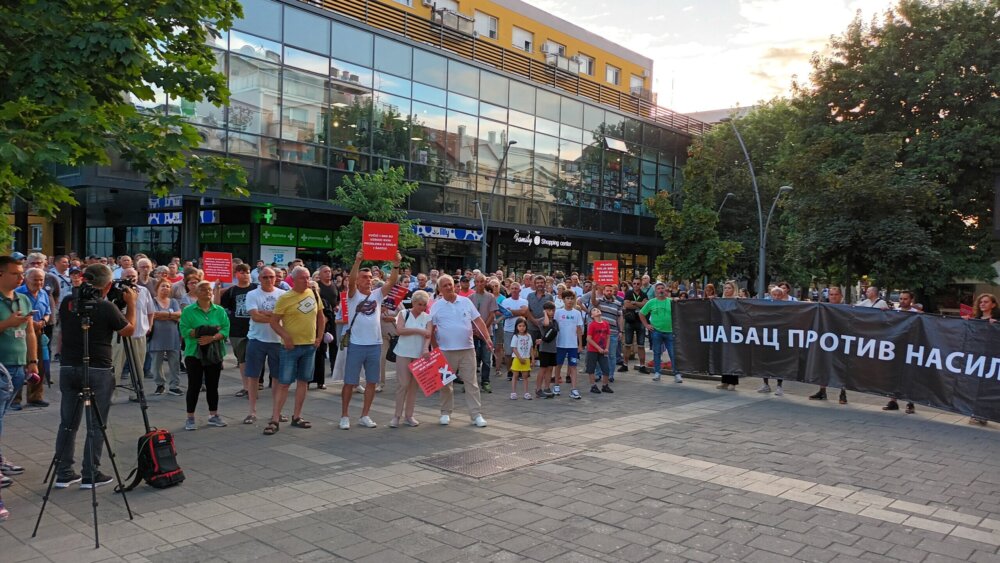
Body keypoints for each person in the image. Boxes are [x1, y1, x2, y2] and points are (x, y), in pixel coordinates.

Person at [53, 263, 137, 489]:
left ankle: (63, 472)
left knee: (67, 423)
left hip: (69, 367)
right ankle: (91, 472)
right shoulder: (105, 306)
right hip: (98, 368)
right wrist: (131, 305)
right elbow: (128, 330)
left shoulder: (68, 302)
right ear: (108, 285)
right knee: (96, 424)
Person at [340, 250, 400, 430]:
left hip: (375, 345)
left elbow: (392, 282)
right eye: (364, 277)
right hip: (356, 345)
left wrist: (396, 264)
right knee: (350, 382)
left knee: (372, 382)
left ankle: (365, 415)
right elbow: (350, 282)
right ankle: (344, 415)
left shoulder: (377, 295)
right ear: (357, 280)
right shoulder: (352, 295)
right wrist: (357, 261)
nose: (368, 279)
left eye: (369, 277)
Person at [430, 274, 492, 427]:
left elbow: (478, 320)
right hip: (445, 350)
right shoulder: (436, 306)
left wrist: (487, 338)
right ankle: (445, 412)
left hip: (467, 349)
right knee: (445, 383)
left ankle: (476, 415)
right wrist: (434, 348)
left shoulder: (465, 301)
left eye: (450, 284)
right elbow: (430, 328)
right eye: (445, 285)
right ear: (439, 289)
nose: (449, 287)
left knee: (472, 383)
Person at [268, 266, 324, 434]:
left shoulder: (313, 293)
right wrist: (286, 337)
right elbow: (274, 322)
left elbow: (321, 316)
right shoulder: (285, 298)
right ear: (293, 280)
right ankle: (275, 419)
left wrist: (319, 337)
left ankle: (297, 416)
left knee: (303, 382)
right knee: (284, 383)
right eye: (302, 278)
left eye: (307, 277)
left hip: (309, 346)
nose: (306, 281)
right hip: (290, 348)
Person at [179, 281, 230, 431]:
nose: (207, 292)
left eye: (209, 289)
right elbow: (184, 330)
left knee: (213, 385)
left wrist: (212, 337)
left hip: (214, 352)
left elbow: (226, 329)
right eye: (203, 289)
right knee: (194, 385)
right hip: (194, 352)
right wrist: (210, 330)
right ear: (196, 292)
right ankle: (190, 417)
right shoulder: (189, 310)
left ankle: (213, 415)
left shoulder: (219, 310)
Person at [245, 267, 285, 428]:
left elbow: (285, 316)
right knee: (253, 376)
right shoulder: (252, 294)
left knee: (277, 378)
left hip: (277, 340)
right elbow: (255, 316)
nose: (269, 280)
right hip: (256, 339)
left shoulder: (282, 295)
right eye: (265, 277)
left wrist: (266, 313)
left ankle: (276, 412)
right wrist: (274, 316)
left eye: (272, 277)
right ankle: (252, 411)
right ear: (259, 279)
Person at [390, 290, 431, 428]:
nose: (422, 307)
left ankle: (409, 415)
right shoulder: (404, 313)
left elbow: (428, 335)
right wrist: (418, 330)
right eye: (419, 304)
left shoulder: (427, 317)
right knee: (403, 384)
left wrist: (426, 348)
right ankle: (396, 415)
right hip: (403, 352)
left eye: (424, 305)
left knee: (414, 386)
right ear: (413, 303)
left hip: (419, 354)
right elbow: (399, 331)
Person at [14, 268, 51, 408]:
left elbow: (48, 311)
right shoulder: (18, 293)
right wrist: (30, 322)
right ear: (27, 279)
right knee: (19, 366)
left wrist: (44, 321)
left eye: (41, 279)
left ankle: (35, 396)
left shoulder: (43, 294)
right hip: (21, 332)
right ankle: (15, 399)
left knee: (39, 365)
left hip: (39, 332)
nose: (39, 282)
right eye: (35, 279)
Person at [965, 293, 998, 425]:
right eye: (981, 302)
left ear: (993, 305)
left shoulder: (997, 320)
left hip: (993, 358)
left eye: (986, 302)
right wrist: (966, 323)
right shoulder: (976, 319)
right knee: (977, 386)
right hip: (978, 357)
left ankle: (984, 414)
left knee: (989, 387)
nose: (982, 304)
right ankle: (976, 413)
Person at [639, 282, 682, 383]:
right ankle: (657, 372)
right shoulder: (651, 302)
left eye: (662, 288)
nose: (660, 290)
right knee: (657, 353)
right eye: (658, 288)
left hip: (670, 331)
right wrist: (646, 325)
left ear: (665, 290)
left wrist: (677, 300)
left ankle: (677, 374)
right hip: (656, 331)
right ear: (655, 291)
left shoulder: (671, 302)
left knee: (673, 353)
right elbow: (641, 313)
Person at [149, 279, 183, 396]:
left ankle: (174, 385)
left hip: (173, 336)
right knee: (156, 363)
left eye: (168, 286)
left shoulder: (173, 301)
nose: (166, 288)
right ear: (157, 288)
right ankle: (160, 384)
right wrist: (171, 316)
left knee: (175, 362)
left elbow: (179, 315)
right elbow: (153, 315)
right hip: (156, 336)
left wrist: (163, 315)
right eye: (163, 286)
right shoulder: (152, 301)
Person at [469, 272, 500, 393]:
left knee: (486, 359)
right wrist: (475, 329)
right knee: (473, 358)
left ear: (485, 283)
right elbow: (468, 316)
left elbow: (492, 315)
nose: (480, 284)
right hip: (473, 333)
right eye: (477, 281)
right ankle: (472, 382)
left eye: (482, 281)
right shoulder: (470, 298)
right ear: (475, 283)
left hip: (487, 333)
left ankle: (485, 381)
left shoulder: (490, 297)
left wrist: (483, 328)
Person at [552, 291, 584, 399]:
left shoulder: (577, 313)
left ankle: (574, 389)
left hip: (573, 345)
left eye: (571, 298)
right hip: (560, 344)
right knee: (558, 365)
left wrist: (580, 344)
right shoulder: (558, 312)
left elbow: (579, 329)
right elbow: (554, 328)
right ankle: (556, 385)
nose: (569, 301)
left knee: (573, 366)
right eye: (567, 298)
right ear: (563, 299)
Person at [622, 278, 649, 374]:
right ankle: (625, 365)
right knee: (627, 344)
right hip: (630, 320)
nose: (636, 285)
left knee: (641, 345)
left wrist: (634, 302)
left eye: (638, 284)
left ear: (641, 284)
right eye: (634, 283)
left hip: (641, 321)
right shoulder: (629, 293)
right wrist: (639, 304)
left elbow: (646, 306)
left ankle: (642, 366)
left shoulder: (644, 294)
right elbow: (626, 305)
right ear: (632, 284)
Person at [585, 306, 614, 395]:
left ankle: (605, 385)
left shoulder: (606, 323)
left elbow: (608, 337)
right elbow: (589, 339)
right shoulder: (592, 325)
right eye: (594, 310)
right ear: (592, 315)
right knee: (591, 368)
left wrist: (607, 348)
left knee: (606, 368)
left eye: (597, 309)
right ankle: (593, 385)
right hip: (593, 350)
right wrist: (598, 348)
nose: (596, 310)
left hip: (603, 350)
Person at [533, 301, 558, 399]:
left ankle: (547, 387)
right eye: (548, 310)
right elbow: (546, 324)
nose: (551, 312)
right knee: (543, 369)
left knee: (550, 368)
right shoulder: (542, 320)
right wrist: (544, 313)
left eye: (552, 310)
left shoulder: (555, 321)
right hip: (544, 348)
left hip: (553, 348)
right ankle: (538, 389)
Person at [509, 318, 533, 400]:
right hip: (517, 358)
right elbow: (514, 348)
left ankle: (526, 392)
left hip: (526, 358)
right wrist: (519, 358)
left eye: (523, 326)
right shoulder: (515, 336)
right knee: (515, 375)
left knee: (525, 376)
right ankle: (513, 392)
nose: (522, 328)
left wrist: (532, 359)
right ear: (516, 327)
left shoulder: (528, 336)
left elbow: (531, 348)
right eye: (520, 326)